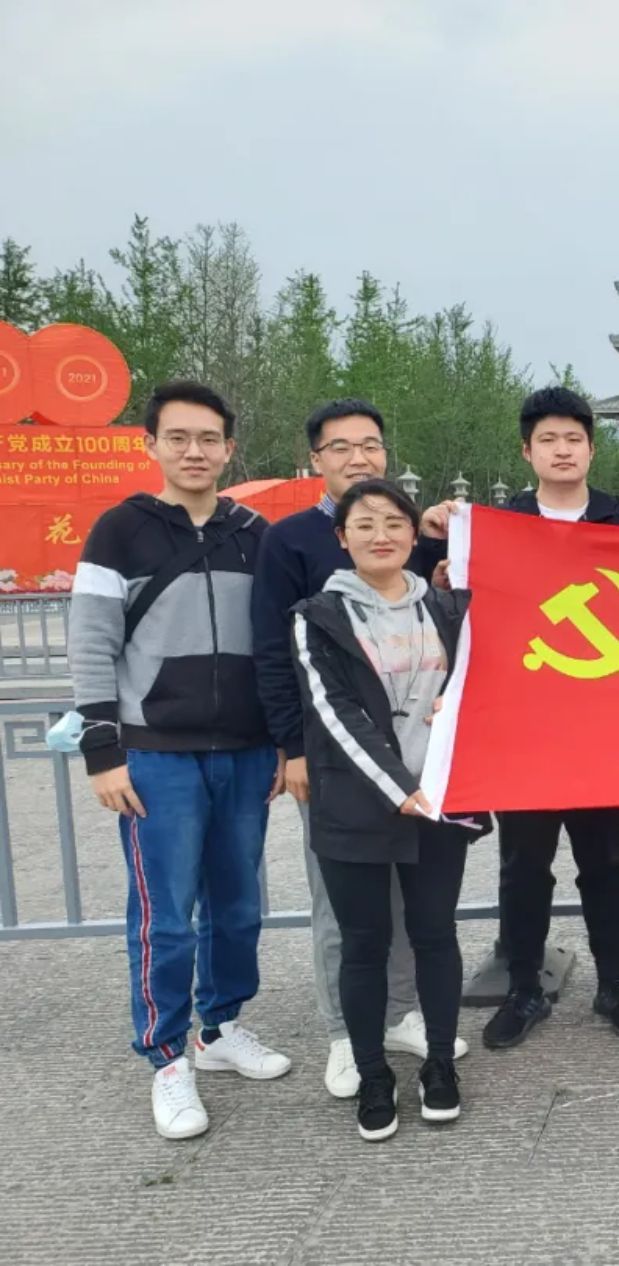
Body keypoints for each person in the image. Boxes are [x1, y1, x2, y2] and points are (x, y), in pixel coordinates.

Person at [69, 380, 291, 1140]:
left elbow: (278, 642)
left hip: (246, 751)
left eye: (209, 439)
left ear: (230, 448)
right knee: (165, 915)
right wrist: (103, 751)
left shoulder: (255, 534)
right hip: (154, 753)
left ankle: (219, 1027)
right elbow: (91, 644)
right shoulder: (119, 531)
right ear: (152, 444)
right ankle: (166, 1056)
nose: (195, 451)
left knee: (238, 906)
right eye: (179, 437)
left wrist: (283, 741)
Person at [251, 398, 465, 1099]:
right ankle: (346, 1035)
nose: (357, 457)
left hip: (426, 775)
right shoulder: (290, 542)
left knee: (418, 911)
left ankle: (400, 1013)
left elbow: (461, 632)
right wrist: (292, 747)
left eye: (369, 444)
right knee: (346, 912)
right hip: (338, 763)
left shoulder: (416, 540)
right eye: (340, 447)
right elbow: (275, 653)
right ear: (316, 458)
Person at [291, 479, 485, 1142]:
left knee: (434, 934)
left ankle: (439, 1064)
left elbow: (487, 675)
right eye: (365, 524)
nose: (382, 535)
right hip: (357, 805)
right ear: (341, 538)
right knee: (364, 944)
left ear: (412, 532)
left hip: (439, 802)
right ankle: (373, 1074)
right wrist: (398, 788)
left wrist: (461, 708)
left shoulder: (449, 606)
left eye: (395, 522)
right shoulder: (317, 616)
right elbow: (334, 714)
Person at [482, 386, 619, 1048]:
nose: (562, 450)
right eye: (548, 440)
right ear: (527, 451)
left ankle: (615, 983)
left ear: (591, 448)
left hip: (603, 731)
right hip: (524, 731)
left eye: (574, 439)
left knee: (605, 864)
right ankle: (523, 987)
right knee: (524, 867)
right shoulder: (497, 526)